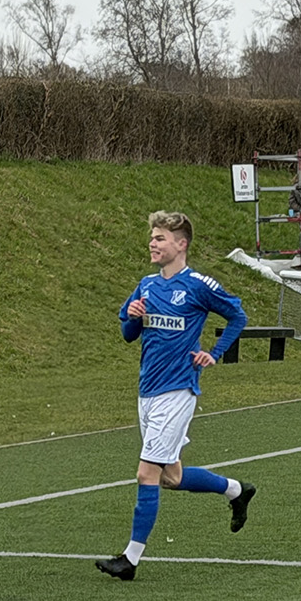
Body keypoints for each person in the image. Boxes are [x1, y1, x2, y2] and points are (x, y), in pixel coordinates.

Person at [95, 211, 256, 582]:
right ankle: (236, 490)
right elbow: (127, 334)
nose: (153, 243)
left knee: (146, 472)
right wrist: (132, 316)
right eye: (152, 237)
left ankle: (130, 560)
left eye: (161, 238)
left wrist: (214, 353)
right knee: (170, 476)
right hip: (147, 391)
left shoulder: (198, 284)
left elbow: (238, 315)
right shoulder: (147, 285)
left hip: (178, 390)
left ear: (181, 245)